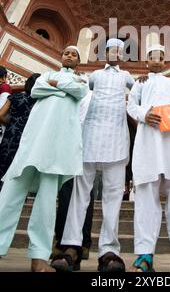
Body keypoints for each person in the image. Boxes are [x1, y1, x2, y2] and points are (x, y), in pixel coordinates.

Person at [0, 46, 88, 272]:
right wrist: (61, 87)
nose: (69, 55)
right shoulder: (46, 76)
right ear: (61, 57)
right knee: (9, 194)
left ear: (79, 61)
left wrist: (55, 87)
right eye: (66, 52)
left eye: (74, 54)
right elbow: (36, 90)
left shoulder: (83, 80)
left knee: (47, 202)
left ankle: (39, 258)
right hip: (33, 141)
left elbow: (79, 92)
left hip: (57, 146)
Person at [51, 38, 135, 272]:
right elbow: (79, 90)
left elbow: (138, 92)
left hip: (116, 141)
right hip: (89, 139)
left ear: (123, 55)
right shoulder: (95, 75)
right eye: (110, 50)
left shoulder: (126, 76)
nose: (114, 53)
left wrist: (145, 81)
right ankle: (71, 247)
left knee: (113, 199)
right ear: (104, 53)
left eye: (119, 50)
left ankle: (110, 251)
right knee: (79, 196)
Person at [127, 44, 170, 273]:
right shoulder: (140, 82)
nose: (156, 61)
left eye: (160, 57)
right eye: (152, 57)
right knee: (146, 196)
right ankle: (145, 255)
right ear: (146, 62)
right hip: (147, 142)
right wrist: (143, 115)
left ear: (165, 62)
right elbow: (130, 105)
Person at [52, 90, 94, 266]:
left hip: (87, 151)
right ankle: (62, 242)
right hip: (68, 149)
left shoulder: (92, 95)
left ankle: (81, 244)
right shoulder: (68, 94)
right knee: (66, 196)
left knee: (84, 197)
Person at [0, 74, 41, 186]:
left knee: (2, 164)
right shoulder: (40, 102)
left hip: (9, 136)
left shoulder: (15, 96)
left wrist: (12, 123)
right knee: (15, 173)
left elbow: (1, 115)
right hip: (26, 139)